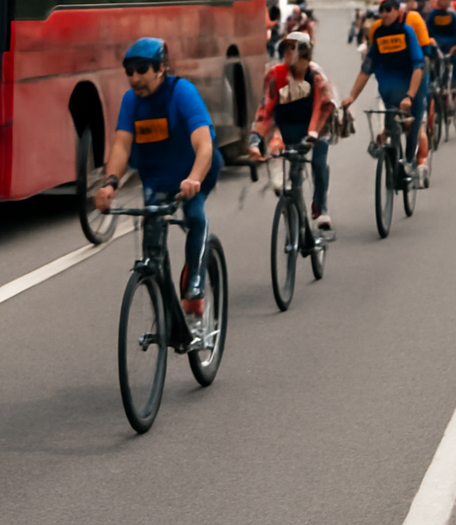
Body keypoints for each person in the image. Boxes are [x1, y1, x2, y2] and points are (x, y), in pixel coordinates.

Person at [94, 37, 221, 324]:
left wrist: (194, 179)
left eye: (142, 70)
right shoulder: (131, 101)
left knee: (194, 214)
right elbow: (122, 145)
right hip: (158, 176)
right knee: (152, 245)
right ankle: (167, 317)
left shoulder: (182, 92)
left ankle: (195, 284)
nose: (135, 78)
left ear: (161, 69)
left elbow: (204, 144)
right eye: (129, 72)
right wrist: (110, 182)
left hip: (195, 170)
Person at [248, 31, 336, 231]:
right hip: (290, 125)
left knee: (318, 163)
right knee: (294, 173)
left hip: (318, 126)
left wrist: (313, 134)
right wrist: (255, 138)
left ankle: (321, 207)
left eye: (294, 48)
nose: (289, 53)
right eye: (286, 48)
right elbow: (266, 108)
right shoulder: (275, 75)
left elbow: (322, 107)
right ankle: (296, 211)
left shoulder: (316, 76)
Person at [342, 0, 427, 183]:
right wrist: (352, 96)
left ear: (398, 12)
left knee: (414, 124)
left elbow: (418, 65)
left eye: (389, 10)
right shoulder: (378, 33)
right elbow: (367, 68)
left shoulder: (406, 31)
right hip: (389, 88)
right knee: (391, 126)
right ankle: (394, 160)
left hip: (412, 83)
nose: (385, 14)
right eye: (381, 10)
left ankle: (410, 161)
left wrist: (410, 96)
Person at [426, 0, 456, 132]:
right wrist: (432, 43)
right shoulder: (432, 15)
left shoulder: (453, 15)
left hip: (452, 46)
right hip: (437, 46)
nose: (442, 1)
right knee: (434, 68)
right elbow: (428, 31)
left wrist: (454, 47)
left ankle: (454, 84)